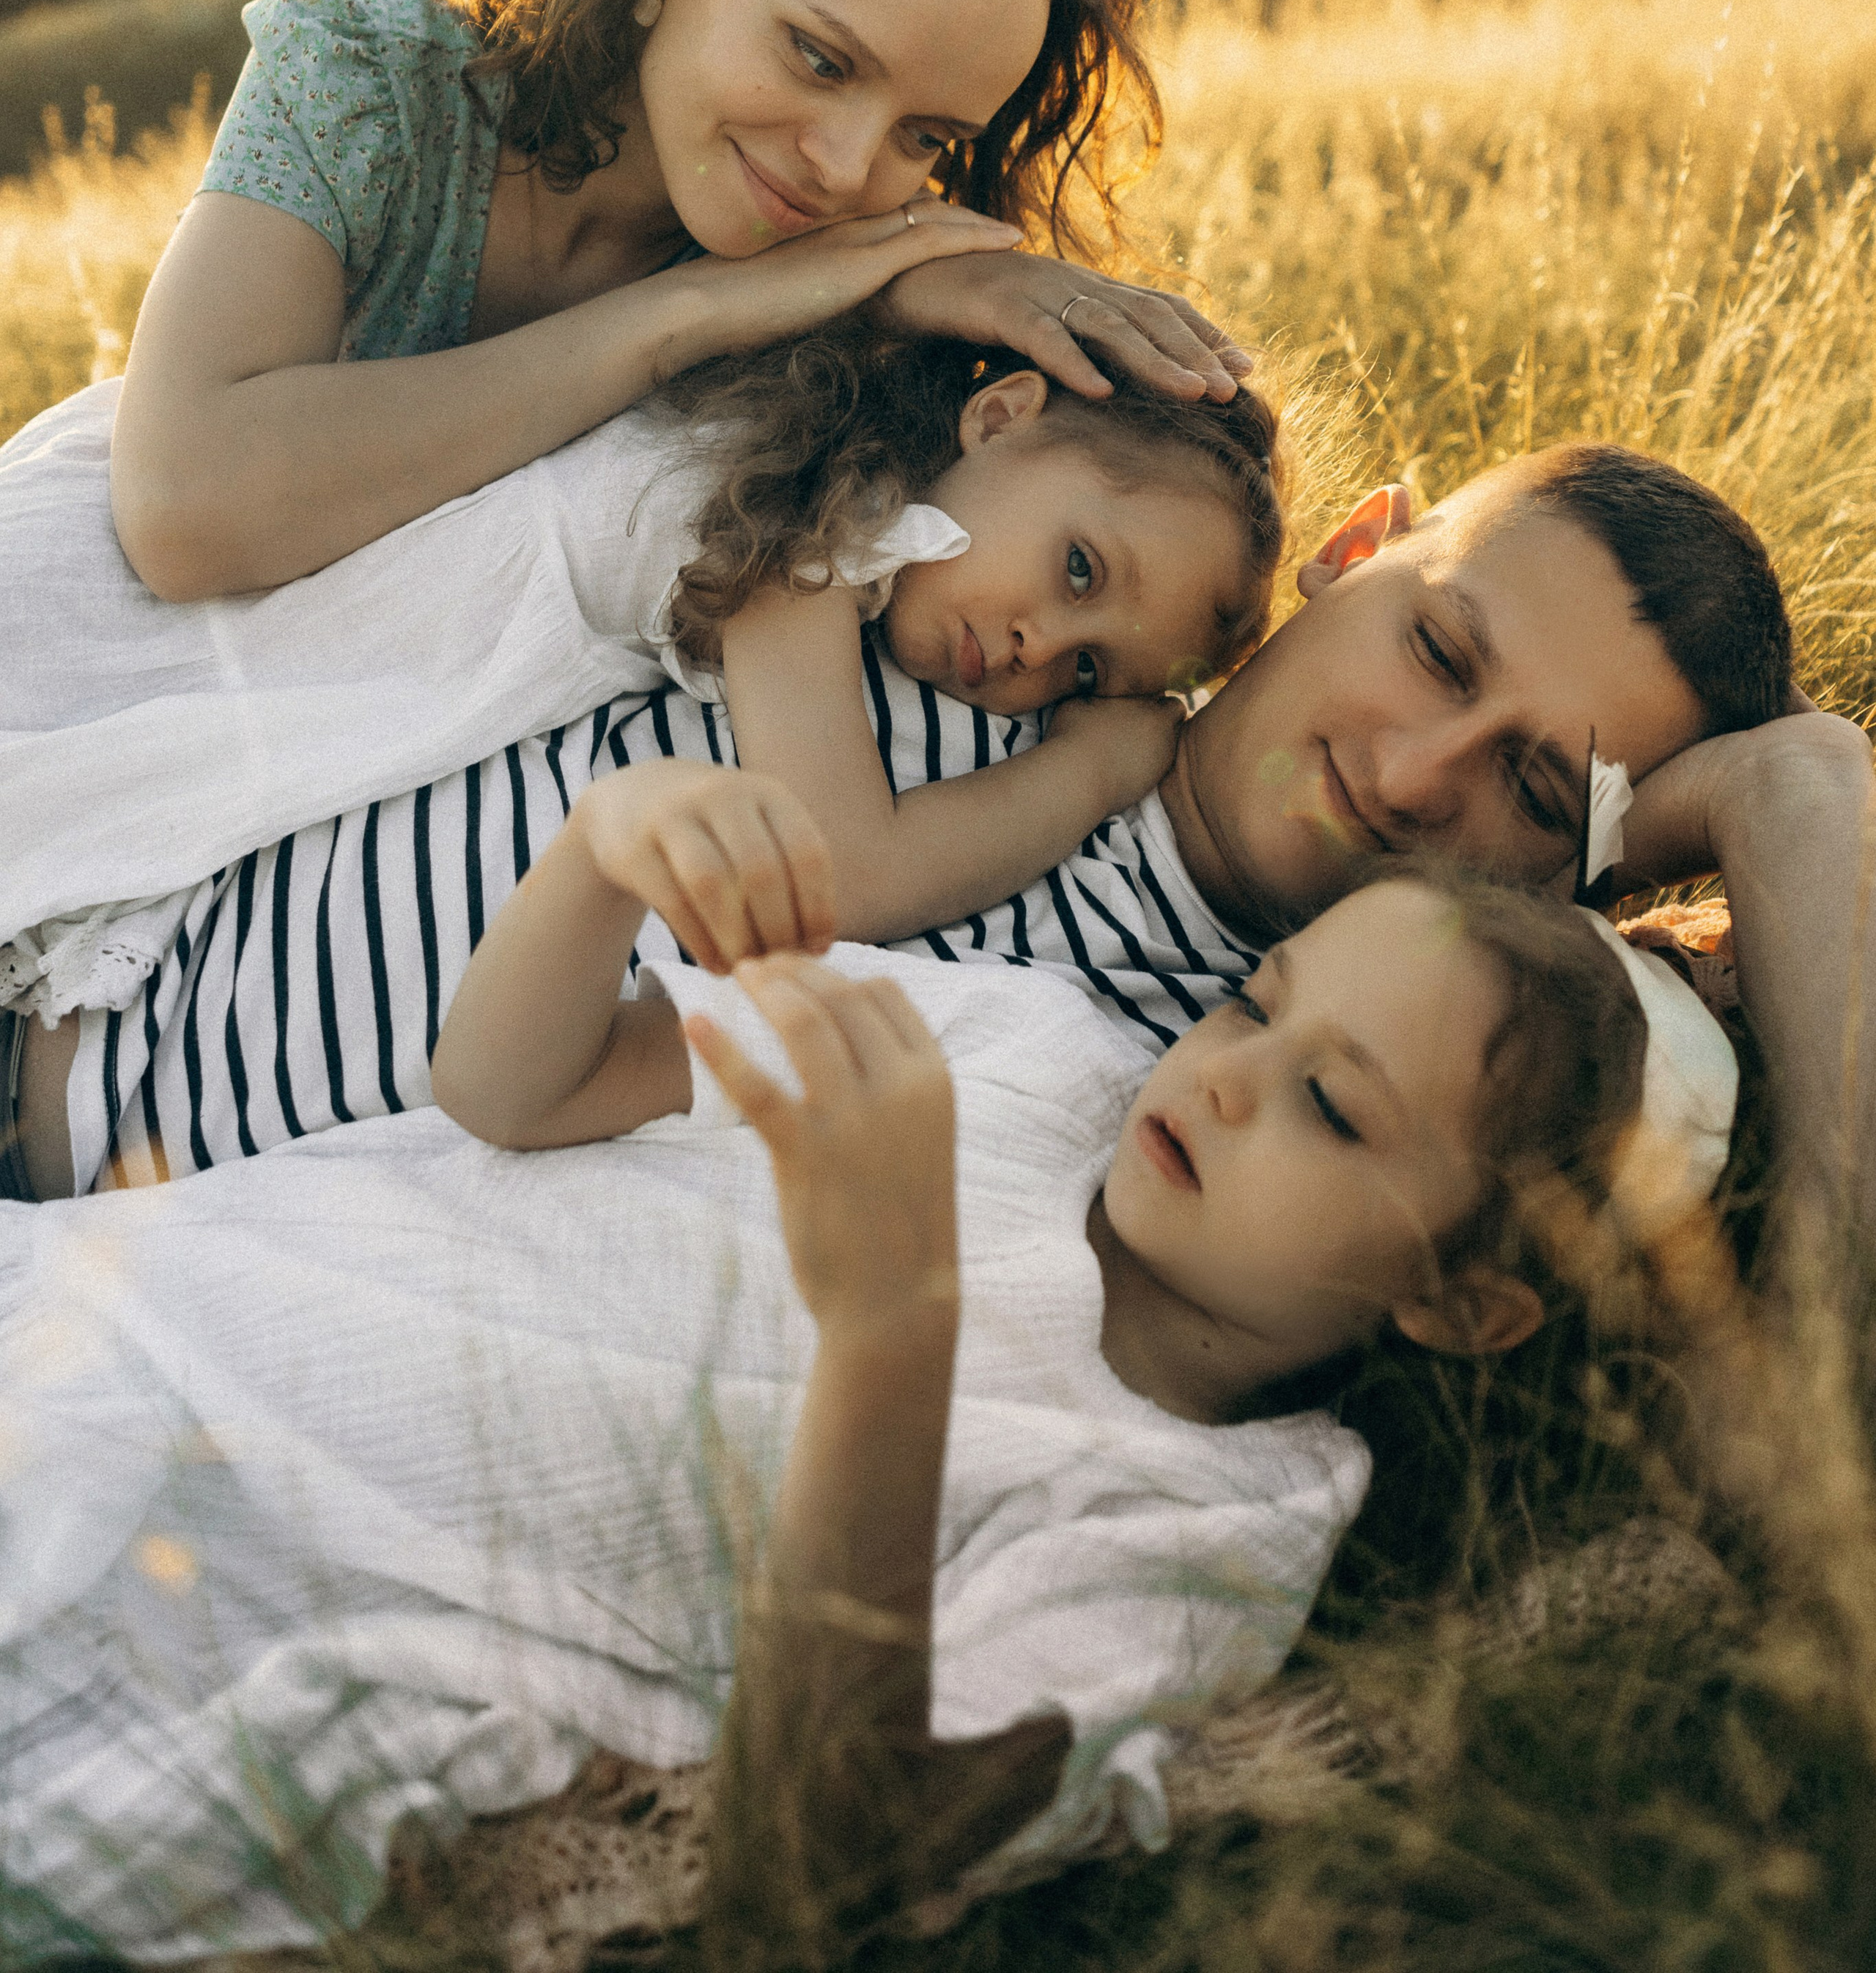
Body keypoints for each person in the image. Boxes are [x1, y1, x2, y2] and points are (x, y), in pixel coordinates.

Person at [0, 856, 1649, 1957]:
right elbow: (518, 1082)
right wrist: (601, 853)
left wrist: (893, 1327)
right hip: (139, 1300)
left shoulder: (1222, 1514)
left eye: (1328, 1107)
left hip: (268, 1606)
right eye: (1255, 1001)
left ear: (1454, 1302)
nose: (1219, 1071)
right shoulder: (1015, 1049)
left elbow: (832, 1855)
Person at [14, 437, 1851, 1232]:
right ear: (1354, 552)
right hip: (71, 924)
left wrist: (1767, 790)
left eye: (1535, 786)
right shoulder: (1007, 614)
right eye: (1436, 650)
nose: (1417, 767)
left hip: (106, 1240)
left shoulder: (1252, 1081)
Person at [106, 0, 1252, 604]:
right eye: (820, 57)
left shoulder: (866, 296)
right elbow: (184, 509)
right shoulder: (366, 77)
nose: (848, 169)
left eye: (927, 135)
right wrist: (676, 319)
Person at [0, 326, 1282, 1078]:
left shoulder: (834, 460)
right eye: (1076, 570)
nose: (1033, 652)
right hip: (142, 634)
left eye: (1088, 671)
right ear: (1002, 417)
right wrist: (1095, 765)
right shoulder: (821, 525)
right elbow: (850, 869)